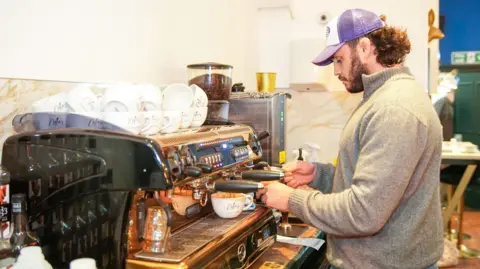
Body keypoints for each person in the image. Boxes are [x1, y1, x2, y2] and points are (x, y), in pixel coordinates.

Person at [256, 8, 444, 269]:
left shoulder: (394, 108)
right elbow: (379, 184)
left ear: (365, 47)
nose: (335, 71)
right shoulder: (382, 97)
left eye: (339, 59)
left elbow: (365, 213)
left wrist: (291, 199)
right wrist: (318, 175)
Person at [433, 70, 459, 141]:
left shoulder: (449, 105)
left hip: (447, 140)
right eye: (452, 92)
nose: (453, 95)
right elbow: (435, 120)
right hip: (441, 140)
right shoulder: (441, 102)